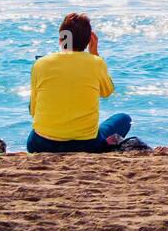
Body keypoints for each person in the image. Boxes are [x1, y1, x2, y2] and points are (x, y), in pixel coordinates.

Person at [27, 13, 138, 153]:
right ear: (89, 39)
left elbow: (33, 110)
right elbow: (107, 91)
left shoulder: (40, 64)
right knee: (124, 119)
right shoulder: (96, 63)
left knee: (37, 131)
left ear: (61, 38)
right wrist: (94, 53)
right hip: (85, 145)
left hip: (41, 144)